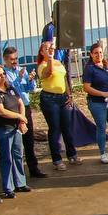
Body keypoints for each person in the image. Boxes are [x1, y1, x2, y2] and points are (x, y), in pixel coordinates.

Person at [3, 47, 46, 179]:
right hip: (12, 109)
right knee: (15, 143)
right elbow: (10, 89)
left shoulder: (22, 70)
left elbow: (30, 89)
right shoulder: (3, 73)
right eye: (12, 59)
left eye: (16, 58)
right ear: (5, 60)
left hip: (25, 107)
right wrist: (19, 78)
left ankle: (33, 168)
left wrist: (30, 79)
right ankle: (17, 173)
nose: (15, 61)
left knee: (29, 139)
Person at [37, 40, 79, 171]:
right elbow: (48, 73)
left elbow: (64, 79)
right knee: (55, 128)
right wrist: (49, 58)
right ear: (42, 52)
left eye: (51, 48)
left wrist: (69, 94)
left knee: (67, 127)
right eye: (47, 48)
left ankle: (72, 154)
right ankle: (57, 159)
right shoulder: (42, 65)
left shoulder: (59, 63)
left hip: (62, 98)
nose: (50, 49)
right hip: (50, 99)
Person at [0, 64, 29, 197]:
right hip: (4, 129)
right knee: (6, 158)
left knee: (18, 155)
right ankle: (8, 187)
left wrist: (21, 120)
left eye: (3, 74)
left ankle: (20, 183)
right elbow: (1, 111)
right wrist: (20, 117)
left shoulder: (10, 88)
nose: (3, 76)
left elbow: (20, 103)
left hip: (16, 128)